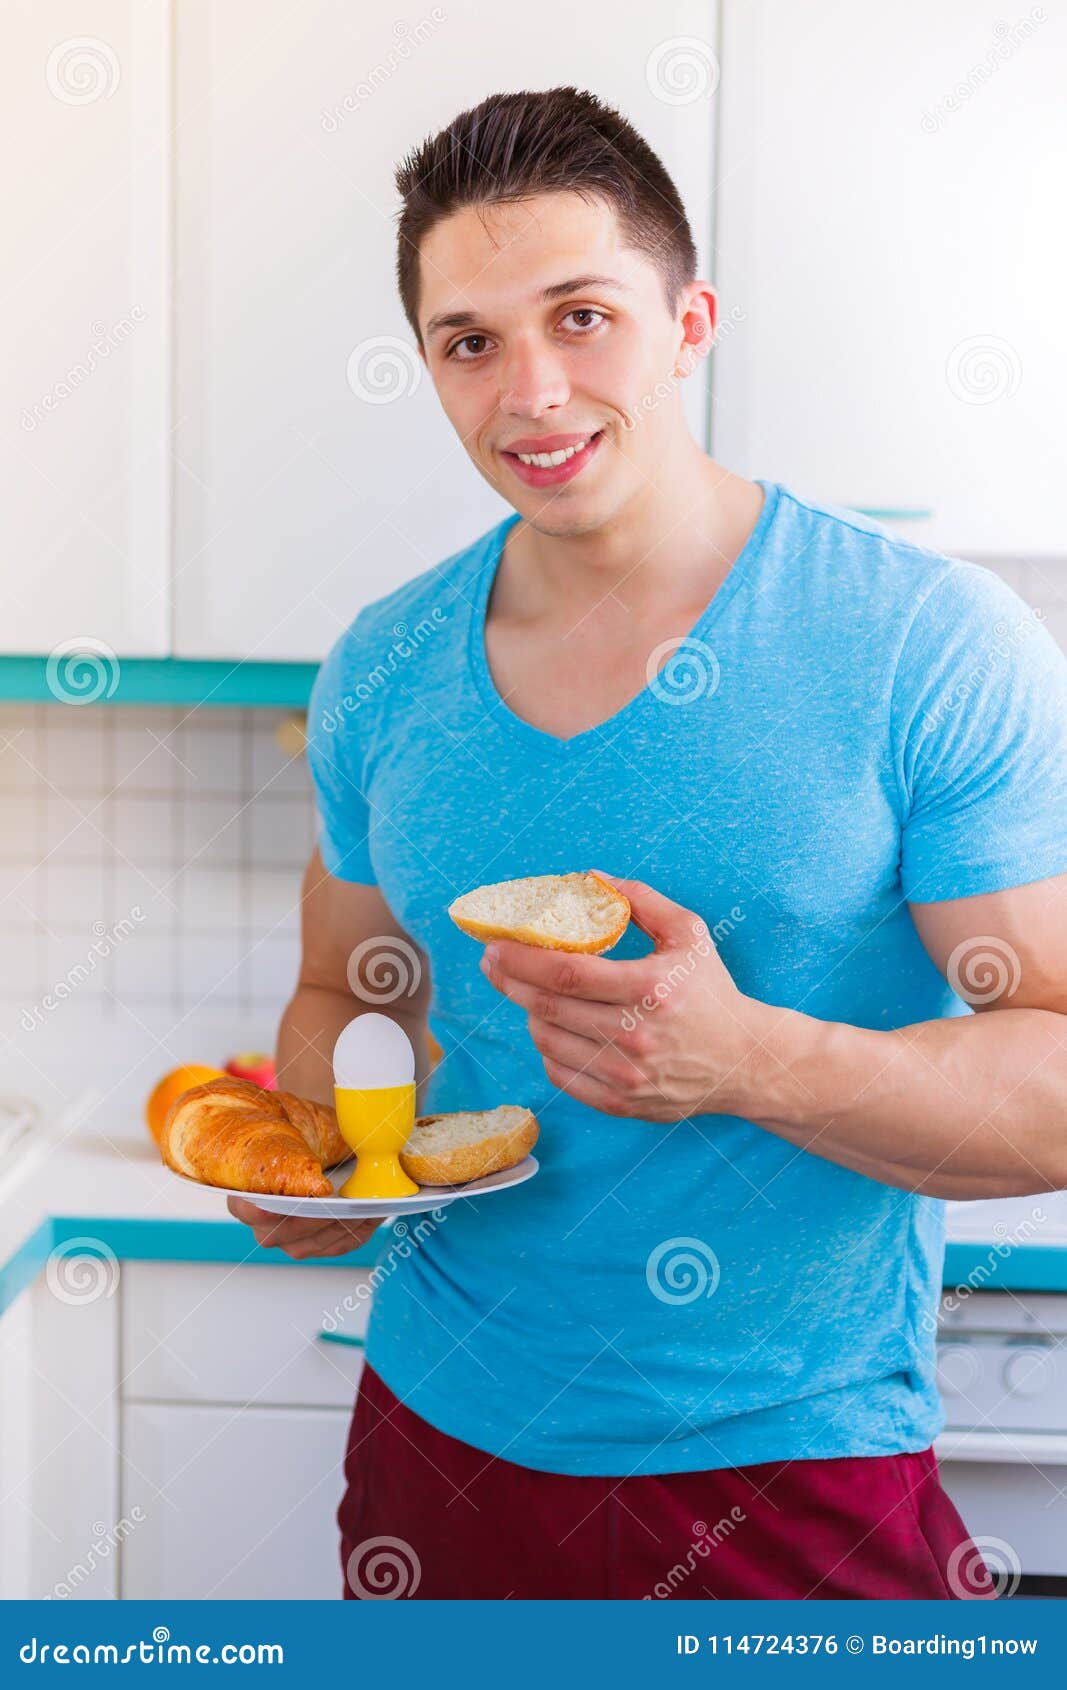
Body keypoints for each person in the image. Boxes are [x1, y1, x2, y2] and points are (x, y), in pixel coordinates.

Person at [227, 86, 1067, 1600]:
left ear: (689, 324)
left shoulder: (924, 644)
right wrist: (320, 1151)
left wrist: (746, 1060)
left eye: (585, 316)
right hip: (440, 1444)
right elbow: (346, 994)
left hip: (789, 1466)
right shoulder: (382, 667)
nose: (533, 390)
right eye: (469, 342)